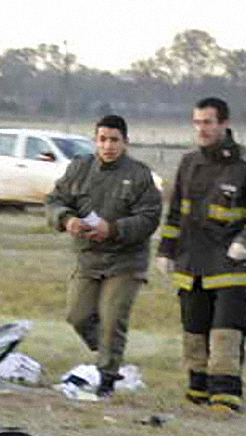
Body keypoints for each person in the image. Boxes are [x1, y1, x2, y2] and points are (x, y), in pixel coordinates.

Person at [155, 97, 246, 412]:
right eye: (197, 122)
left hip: (232, 263)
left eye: (207, 122)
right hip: (192, 261)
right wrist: (166, 250)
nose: (201, 129)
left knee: (225, 329)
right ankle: (199, 389)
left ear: (224, 124)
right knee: (194, 328)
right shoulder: (188, 163)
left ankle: (225, 395)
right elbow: (175, 213)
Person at [44, 115, 162, 396]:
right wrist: (66, 219)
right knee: (77, 315)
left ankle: (107, 380)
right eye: (102, 139)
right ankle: (110, 355)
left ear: (125, 142)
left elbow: (150, 218)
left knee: (112, 318)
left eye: (114, 140)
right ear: (95, 141)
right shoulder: (79, 169)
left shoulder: (139, 175)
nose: (108, 146)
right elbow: (54, 201)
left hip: (125, 261)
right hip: (89, 259)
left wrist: (113, 229)